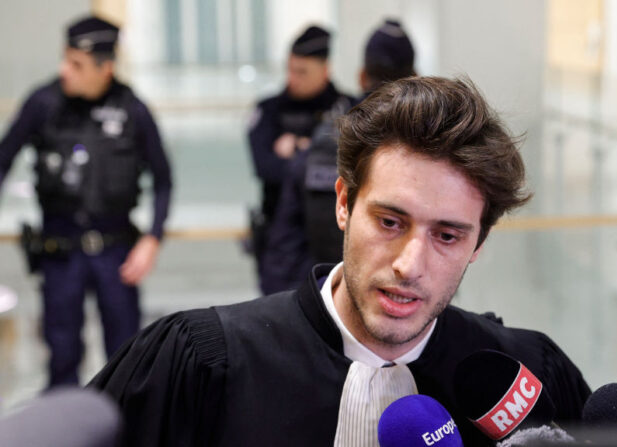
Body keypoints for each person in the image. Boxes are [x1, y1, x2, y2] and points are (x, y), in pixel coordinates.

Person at [90, 76, 590, 446]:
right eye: (390, 222)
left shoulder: (528, 378)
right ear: (343, 203)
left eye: (448, 235)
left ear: (478, 243)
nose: (409, 265)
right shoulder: (203, 364)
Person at [0, 16, 172, 387]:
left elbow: (163, 180)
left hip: (117, 252)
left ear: (105, 67)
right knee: (62, 358)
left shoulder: (132, 110)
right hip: (60, 251)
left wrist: (152, 239)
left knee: (125, 360)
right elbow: (2, 161)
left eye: (76, 64)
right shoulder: (43, 103)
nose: (65, 70)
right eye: (65, 59)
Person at [259, 19, 416, 293]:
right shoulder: (435, 143)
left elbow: (286, 243)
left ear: (362, 76)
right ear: (415, 77)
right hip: (400, 298)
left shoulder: (334, 134)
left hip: (320, 298)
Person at [247, 25, 353, 295]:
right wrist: (320, 158)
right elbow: (266, 168)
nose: (293, 78)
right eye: (290, 69)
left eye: (302, 71)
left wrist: (297, 148)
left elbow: (356, 170)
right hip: (281, 247)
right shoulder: (269, 110)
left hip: (337, 243)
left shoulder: (350, 110)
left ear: (325, 70)